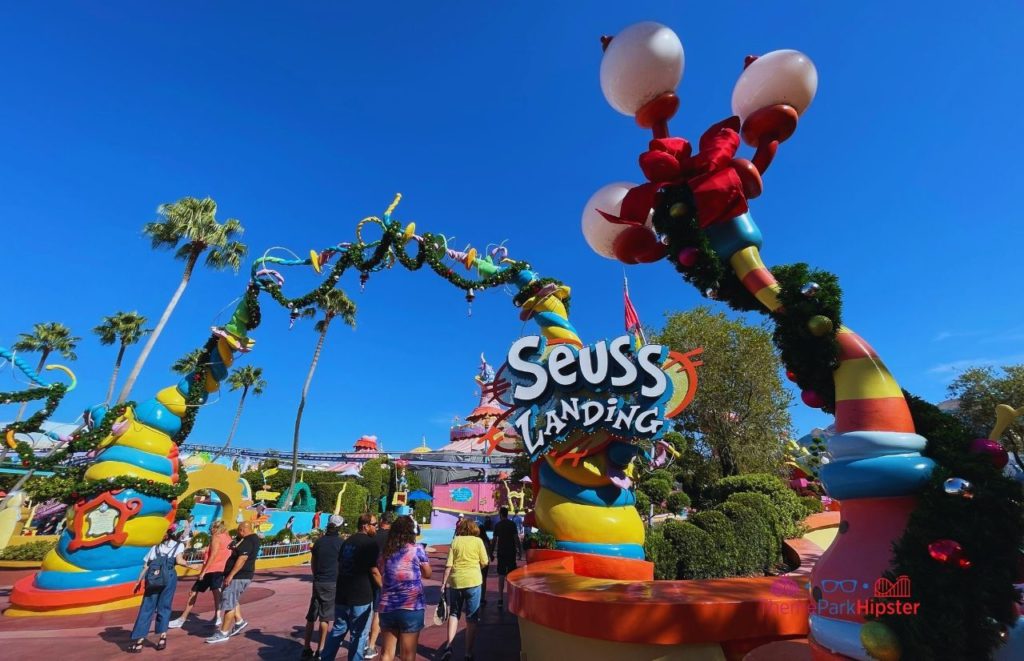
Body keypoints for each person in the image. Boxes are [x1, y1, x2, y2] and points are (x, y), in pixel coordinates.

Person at [321, 513, 381, 661]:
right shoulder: (369, 544)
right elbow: (374, 570)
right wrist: (384, 587)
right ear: (365, 526)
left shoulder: (347, 542)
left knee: (338, 630)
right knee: (359, 634)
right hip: (361, 595)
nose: (376, 527)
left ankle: (326, 657)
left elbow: (342, 564)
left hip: (342, 594)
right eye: (374, 524)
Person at [376, 516, 431, 661]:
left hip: (387, 606)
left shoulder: (386, 552)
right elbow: (428, 573)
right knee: (408, 654)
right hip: (411, 607)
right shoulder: (417, 550)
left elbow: (381, 571)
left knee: (386, 653)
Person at [127, 526, 188, 652]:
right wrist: (193, 565)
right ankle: (162, 638)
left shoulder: (155, 548)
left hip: (153, 579)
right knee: (164, 607)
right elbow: (180, 561)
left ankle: (139, 641)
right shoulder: (178, 546)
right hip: (169, 578)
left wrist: (138, 581)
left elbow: (146, 565)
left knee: (147, 608)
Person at [438, 518, 488, 661]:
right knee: (471, 618)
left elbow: (448, 565)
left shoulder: (456, 541)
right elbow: (485, 561)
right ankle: (467, 652)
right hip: (473, 581)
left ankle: (449, 645)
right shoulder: (478, 542)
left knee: (454, 613)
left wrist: (443, 584)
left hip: (456, 582)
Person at [206, 520, 260, 644]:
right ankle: (239, 621)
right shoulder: (250, 540)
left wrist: (230, 575)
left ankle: (223, 632)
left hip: (238, 576)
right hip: (240, 576)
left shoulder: (249, 541)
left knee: (228, 604)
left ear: (243, 530)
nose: (238, 533)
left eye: (239, 531)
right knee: (232, 600)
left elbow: (242, 558)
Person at [170, 519, 232, 628]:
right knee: (216, 592)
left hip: (211, 569)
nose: (210, 530)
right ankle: (217, 616)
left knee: (194, 592)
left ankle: (183, 618)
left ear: (216, 528)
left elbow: (213, 555)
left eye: (212, 528)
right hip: (221, 568)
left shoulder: (216, 537)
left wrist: (203, 571)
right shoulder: (227, 538)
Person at [302, 514, 345, 659]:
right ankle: (320, 649)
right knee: (325, 618)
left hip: (318, 581)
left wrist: (316, 575)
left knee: (311, 616)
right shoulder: (341, 543)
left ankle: (306, 647)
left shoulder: (319, 542)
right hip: (332, 582)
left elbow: (313, 562)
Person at [366, 512, 397, 659]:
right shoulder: (392, 539)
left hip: (367, 576)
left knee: (366, 610)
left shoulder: (372, 535)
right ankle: (371, 646)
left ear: (381, 521)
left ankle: (364, 641)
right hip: (383, 577)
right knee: (378, 612)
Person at [491, 507, 523, 609]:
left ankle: (500, 598)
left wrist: (491, 552)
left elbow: (494, 540)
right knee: (511, 575)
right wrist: (520, 550)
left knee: (501, 575)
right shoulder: (512, 524)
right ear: (507, 514)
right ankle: (511, 597)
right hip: (511, 552)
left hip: (501, 553)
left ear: (500, 514)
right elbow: (516, 538)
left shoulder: (498, 525)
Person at [475, 522, 492, 607]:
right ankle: (482, 598)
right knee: (484, 580)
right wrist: (491, 556)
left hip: (477, 562)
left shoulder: (476, 541)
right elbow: (489, 550)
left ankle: (476, 597)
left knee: (476, 579)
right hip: (485, 562)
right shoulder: (486, 540)